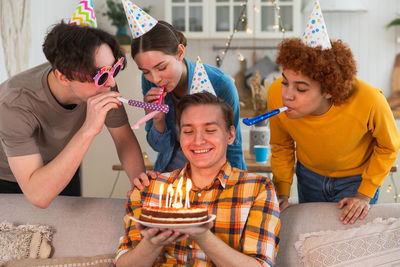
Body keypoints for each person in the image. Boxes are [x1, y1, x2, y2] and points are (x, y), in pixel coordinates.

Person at [115, 92, 280, 267]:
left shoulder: (258, 189)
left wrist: (202, 235)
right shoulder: (148, 188)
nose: (198, 140)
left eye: (210, 130)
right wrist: (152, 243)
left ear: (230, 135)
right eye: (188, 131)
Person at [0, 22, 145, 208]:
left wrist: (140, 185)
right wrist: (88, 130)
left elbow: (123, 138)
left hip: (63, 163)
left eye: (114, 68)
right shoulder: (14, 105)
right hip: (8, 179)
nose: (111, 81)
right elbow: (38, 196)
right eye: (101, 75)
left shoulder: (102, 84)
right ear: (63, 77)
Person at [268, 36, 400, 223]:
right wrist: (282, 192)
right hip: (308, 176)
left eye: (301, 89)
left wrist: (364, 194)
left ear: (329, 90)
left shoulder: (370, 100)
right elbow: (282, 146)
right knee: (312, 235)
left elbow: (389, 146)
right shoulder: (275, 94)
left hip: (356, 180)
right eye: (284, 82)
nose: (287, 95)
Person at [130, 19, 246, 173]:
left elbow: (234, 148)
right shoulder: (150, 83)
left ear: (180, 52)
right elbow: (159, 147)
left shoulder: (221, 84)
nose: (156, 78)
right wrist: (158, 120)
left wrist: (239, 189)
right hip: (171, 177)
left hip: (213, 178)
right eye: (145, 71)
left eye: (162, 67)